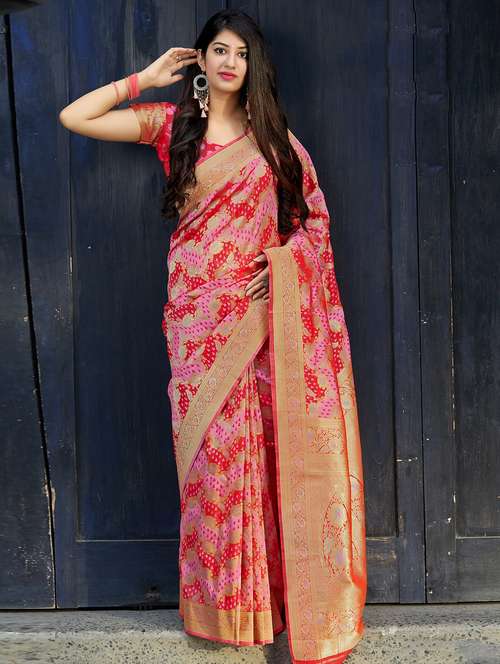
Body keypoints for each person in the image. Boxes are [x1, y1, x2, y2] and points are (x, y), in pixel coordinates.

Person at [59, 9, 367, 663]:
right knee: (213, 468)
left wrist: (283, 266)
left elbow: (314, 224)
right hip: (196, 323)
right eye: (220, 50)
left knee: (263, 459)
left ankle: (274, 607)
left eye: (242, 53)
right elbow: (75, 116)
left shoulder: (275, 142)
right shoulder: (173, 127)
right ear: (200, 60)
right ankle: (226, 612)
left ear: (255, 65)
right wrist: (145, 79)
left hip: (258, 321)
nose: (231, 62)